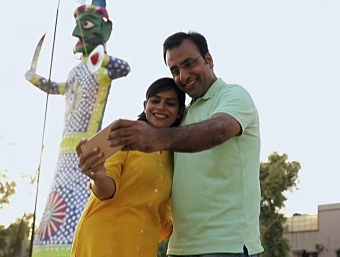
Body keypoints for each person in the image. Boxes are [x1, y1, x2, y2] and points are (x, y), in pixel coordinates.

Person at [107, 31, 263, 257]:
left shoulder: (234, 96)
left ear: (208, 60)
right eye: (175, 70)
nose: (183, 75)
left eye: (189, 63)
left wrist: (155, 137)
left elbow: (219, 129)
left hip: (227, 247)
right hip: (179, 249)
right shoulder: (183, 115)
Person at [24, 0, 131, 256]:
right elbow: (59, 88)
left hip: (87, 147)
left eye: (87, 26)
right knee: (57, 205)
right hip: (64, 150)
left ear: (105, 30)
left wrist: (102, 56)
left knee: (82, 199)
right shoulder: (76, 72)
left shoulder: (101, 67)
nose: (77, 33)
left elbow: (124, 67)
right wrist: (35, 78)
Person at [70, 77, 185, 257]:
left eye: (170, 103)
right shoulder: (123, 138)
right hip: (103, 241)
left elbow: (163, 218)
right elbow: (106, 191)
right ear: (145, 105)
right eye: (155, 101)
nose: (161, 107)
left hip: (142, 246)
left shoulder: (175, 157)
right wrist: (99, 177)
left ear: (179, 112)